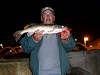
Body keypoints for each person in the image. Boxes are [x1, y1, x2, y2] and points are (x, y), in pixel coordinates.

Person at [19, 7, 76, 75]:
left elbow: (71, 47)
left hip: (59, 72)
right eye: (45, 14)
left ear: (54, 18)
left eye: (50, 14)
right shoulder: (34, 32)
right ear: (41, 18)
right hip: (39, 72)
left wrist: (65, 40)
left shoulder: (63, 33)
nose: (48, 16)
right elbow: (25, 48)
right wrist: (34, 40)